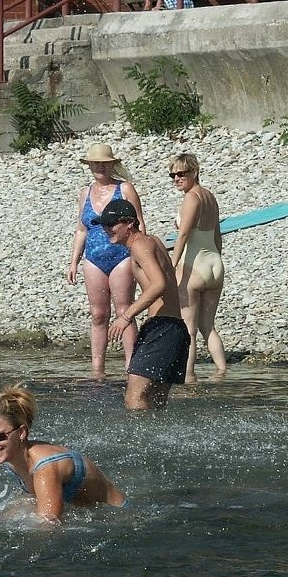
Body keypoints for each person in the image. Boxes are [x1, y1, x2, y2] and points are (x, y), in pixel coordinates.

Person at [0, 383, 126, 524]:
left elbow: (49, 525)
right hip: (89, 513)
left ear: (22, 432)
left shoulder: (46, 467)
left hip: (118, 518)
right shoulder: (13, 458)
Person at [67, 143, 146, 381]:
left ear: (112, 165)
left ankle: (132, 367)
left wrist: (142, 256)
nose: (100, 167)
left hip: (122, 255)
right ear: (89, 165)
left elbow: (140, 224)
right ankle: (97, 370)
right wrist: (73, 261)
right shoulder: (86, 193)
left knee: (124, 310)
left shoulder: (125, 189)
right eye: (96, 163)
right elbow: (81, 229)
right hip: (93, 258)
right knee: (98, 314)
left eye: (104, 163)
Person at [102, 199, 190, 410]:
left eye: (112, 224)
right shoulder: (154, 241)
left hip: (162, 329)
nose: (107, 229)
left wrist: (126, 316)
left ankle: (137, 434)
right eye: (104, 224)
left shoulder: (140, 245)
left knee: (134, 400)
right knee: (156, 403)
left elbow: (159, 284)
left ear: (129, 223)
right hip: (175, 329)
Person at [168, 153, 227, 383]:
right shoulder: (210, 197)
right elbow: (217, 234)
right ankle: (222, 372)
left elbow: (183, 235)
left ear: (195, 172)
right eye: (172, 175)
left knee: (189, 328)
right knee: (208, 326)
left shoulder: (191, 198)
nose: (176, 178)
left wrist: (171, 266)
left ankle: (189, 377)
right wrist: (217, 259)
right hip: (214, 265)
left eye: (181, 173)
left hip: (194, 266)